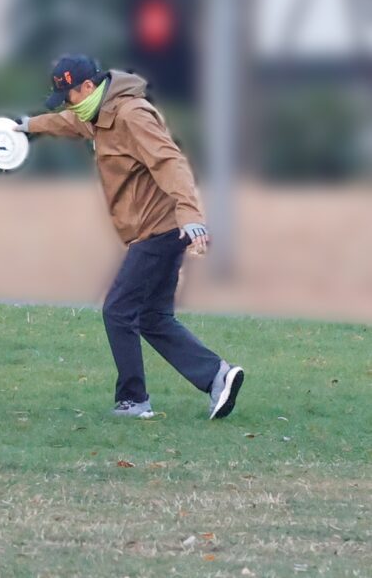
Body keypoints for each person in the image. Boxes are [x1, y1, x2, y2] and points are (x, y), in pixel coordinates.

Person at [13, 54, 244, 419]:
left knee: (118, 309)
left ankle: (133, 400)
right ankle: (218, 376)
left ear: (87, 87)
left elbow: (170, 161)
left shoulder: (131, 115)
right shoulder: (99, 115)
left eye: (68, 95)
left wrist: (191, 215)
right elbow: (71, 122)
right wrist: (28, 126)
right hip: (156, 230)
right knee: (152, 316)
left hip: (161, 229)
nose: (68, 104)